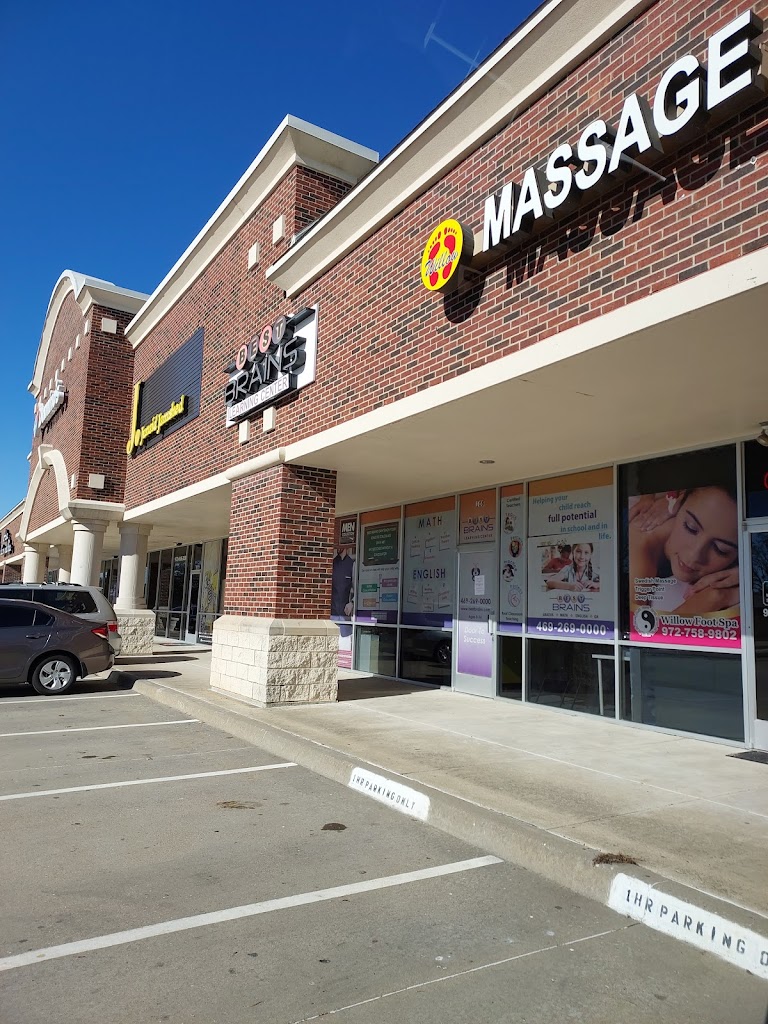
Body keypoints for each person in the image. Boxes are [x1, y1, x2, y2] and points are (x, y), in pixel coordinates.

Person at [629, 486, 738, 615]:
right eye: (690, 528)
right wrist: (717, 597)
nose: (694, 556)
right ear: (677, 508)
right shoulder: (642, 542)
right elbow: (636, 623)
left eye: (720, 549)